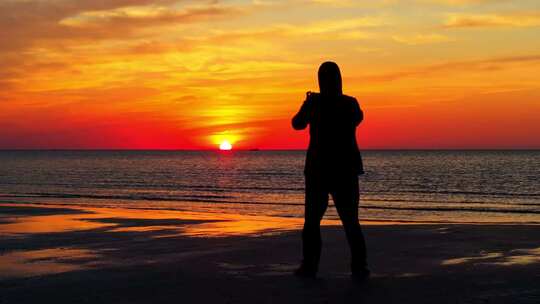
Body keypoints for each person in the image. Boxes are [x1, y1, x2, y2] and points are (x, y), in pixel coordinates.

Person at [292, 61, 369, 280]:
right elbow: (357, 118)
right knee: (349, 221)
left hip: (321, 169)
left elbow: (297, 124)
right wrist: (311, 104)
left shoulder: (319, 103)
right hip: (342, 169)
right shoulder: (349, 103)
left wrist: (309, 104)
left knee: (314, 222)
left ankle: (310, 267)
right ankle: (359, 268)